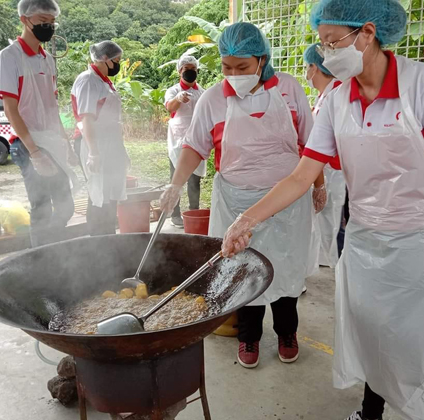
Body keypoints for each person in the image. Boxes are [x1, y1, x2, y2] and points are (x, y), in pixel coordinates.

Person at [221, 1, 424, 419]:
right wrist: (247, 218)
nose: (326, 54)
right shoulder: (338, 100)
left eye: (333, 42)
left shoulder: (423, 85)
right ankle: (371, 413)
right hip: (363, 242)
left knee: (423, 347)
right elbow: (301, 175)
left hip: (419, 245)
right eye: (321, 45)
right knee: (371, 336)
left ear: (367, 32)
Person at [159, 22, 323, 369]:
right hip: (235, 200)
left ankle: (286, 332)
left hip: (287, 203)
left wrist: (319, 186)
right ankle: (248, 337)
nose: (234, 75)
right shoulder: (213, 98)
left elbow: (312, 146)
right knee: (240, 269)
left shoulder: (290, 90)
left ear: (262, 60)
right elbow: (194, 146)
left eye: (243, 67)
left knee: (288, 268)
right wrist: (175, 184)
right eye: (227, 67)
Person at [0, 0, 78, 247]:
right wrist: (34, 152)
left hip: (52, 141)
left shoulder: (47, 59)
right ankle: (42, 262)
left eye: (52, 23)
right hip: (28, 144)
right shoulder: (10, 57)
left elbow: (52, 108)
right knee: (41, 208)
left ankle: (50, 250)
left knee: (66, 206)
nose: (48, 27)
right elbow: (11, 110)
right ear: (24, 20)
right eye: (43, 22)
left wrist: (67, 144)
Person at [71, 41, 129, 236]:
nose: (118, 64)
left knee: (110, 193)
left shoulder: (103, 81)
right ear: (104, 58)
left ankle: (109, 240)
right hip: (93, 142)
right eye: (116, 60)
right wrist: (94, 153)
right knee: (98, 194)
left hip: (109, 142)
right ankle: (98, 244)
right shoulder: (88, 80)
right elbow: (86, 118)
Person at [304, 43, 346, 272]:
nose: (307, 72)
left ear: (315, 67)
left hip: (334, 170)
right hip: (322, 169)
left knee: (330, 219)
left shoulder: (338, 93)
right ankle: (324, 260)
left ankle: (331, 262)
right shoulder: (324, 95)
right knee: (323, 220)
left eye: (308, 66)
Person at [164, 55, 206, 228]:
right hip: (178, 139)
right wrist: (178, 99)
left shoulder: (202, 92)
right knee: (176, 176)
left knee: (194, 178)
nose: (190, 72)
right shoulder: (173, 91)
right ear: (180, 71)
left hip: (196, 138)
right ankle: (175, 214)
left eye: (193, 69)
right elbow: (169, 107)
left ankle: (193, 212)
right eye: (186, 69)